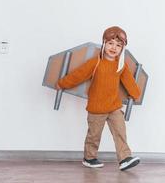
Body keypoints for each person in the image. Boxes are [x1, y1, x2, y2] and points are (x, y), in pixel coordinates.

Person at [56, 26, 141, 171]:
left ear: (122, 49)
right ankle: (89, 158)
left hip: (114, 107)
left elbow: (129, 82)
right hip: (96, 108)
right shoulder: (95, 63)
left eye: (118, 45)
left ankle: (125, 158)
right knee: (94, 135)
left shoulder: (121, 65)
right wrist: (62, 83)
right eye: (111, 43)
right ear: (104, 43)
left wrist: (135, 94)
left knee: (120, 131)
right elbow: (78, 75)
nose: (114, 48)